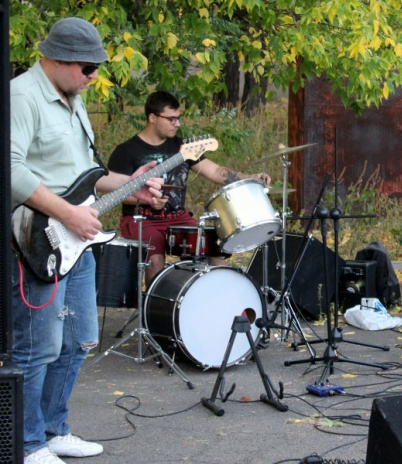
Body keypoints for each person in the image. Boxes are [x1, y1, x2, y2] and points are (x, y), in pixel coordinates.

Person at [10, 18, 164, 463]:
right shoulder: (22, 96)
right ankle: (29, 443)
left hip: (75, 242)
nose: (94, 77)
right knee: (36, 346)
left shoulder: (71, 96)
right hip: (37, 240)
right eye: (86, 68)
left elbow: (84, 177)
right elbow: (12, 169)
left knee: (78, 339)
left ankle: (54, 429)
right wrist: (69, 216)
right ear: (56, 58)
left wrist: (129, 185)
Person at [107, 91, 270, 284]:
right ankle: (155, 310)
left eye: (178, 118)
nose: (177, 124)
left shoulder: (182, 147)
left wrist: (250, 177)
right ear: (152, 118)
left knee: (213, 248)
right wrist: (146, 199)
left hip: (176, 217)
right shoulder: (126, 151)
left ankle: (224, 301)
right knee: (155, 260)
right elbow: (115, 194)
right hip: (141, 218)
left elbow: (216, 171)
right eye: (171, 119)